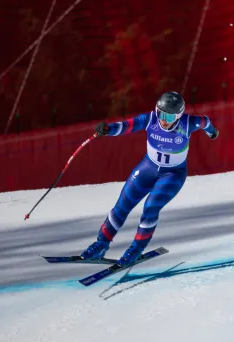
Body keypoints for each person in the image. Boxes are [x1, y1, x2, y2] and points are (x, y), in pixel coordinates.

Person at [80, 91, 218, 266]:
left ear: (178, 116)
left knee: (150, 207)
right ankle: (101, 244)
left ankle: (136, 249)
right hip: (148, 168)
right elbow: (127, 126)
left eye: (168, 116)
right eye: (161, 113)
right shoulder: (151, 119)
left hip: (172, 174)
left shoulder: (189, 123)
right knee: (122, 205)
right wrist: (108, 129)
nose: (163, 120)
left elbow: (205, 122)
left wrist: (212, 133)